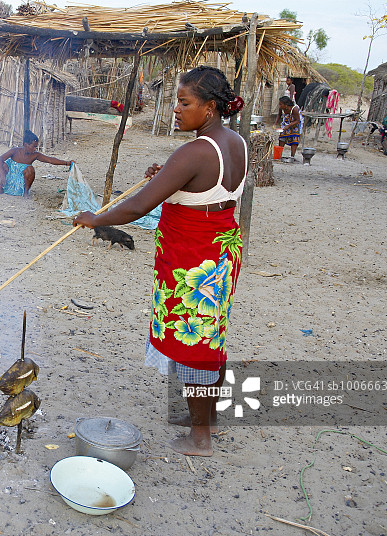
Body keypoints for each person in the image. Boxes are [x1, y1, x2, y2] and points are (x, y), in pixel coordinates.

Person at [73, 66, 247, 457]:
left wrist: (96, 218)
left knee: (193, 345)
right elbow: (197, 185)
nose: (176, 110)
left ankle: (200, 438)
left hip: (193, 261)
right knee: (209, 338)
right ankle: (207, 420)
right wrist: (166, 174)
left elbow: (140, 204)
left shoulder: (197, 150)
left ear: (209, 107)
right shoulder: (233, 141)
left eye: (184, 103)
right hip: (218, 253)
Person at [0, 130, 73, 196]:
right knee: (2, 165)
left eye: (36, 147)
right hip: (7, 179)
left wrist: (67, 163)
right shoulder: (15, 151)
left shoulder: (35, 155)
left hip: (21, 182)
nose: (35, 149)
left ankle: (25, 192)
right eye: (33, 146)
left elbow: (50, 160)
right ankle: (0, 189)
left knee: (30, 169)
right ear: (26, 145)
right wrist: (2, 175)